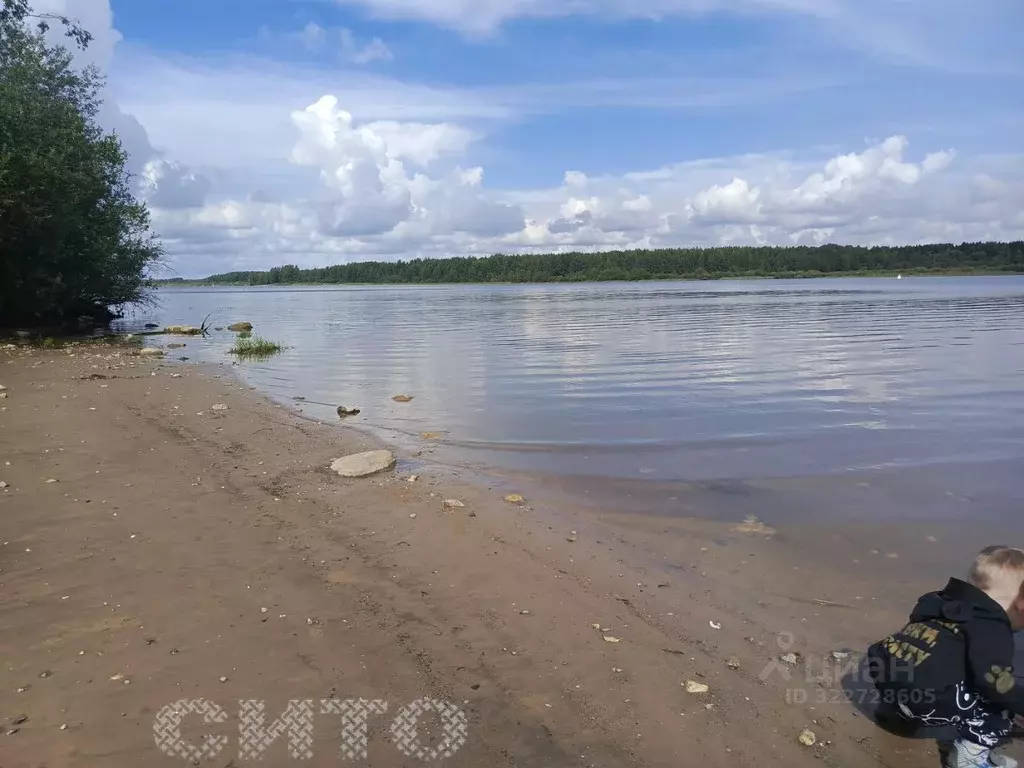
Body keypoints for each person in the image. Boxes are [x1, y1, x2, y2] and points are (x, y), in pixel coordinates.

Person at [868, 546, 1024, 768]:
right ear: (1021, 604)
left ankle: (896, 713)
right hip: (926, 704)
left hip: (889, 685)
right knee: (1001, 697)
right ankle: (970, 756)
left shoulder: (937, 601)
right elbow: (997, 685)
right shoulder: (992, 628)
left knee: (926, 656)